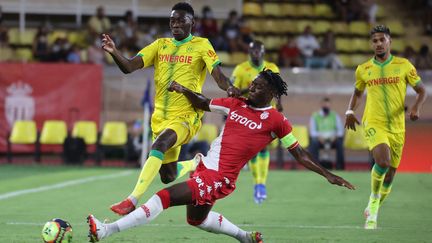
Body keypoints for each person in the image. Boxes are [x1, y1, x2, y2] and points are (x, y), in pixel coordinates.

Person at [87, 70, 355, 243]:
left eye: (258, 86)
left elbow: (299, 152)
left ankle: (106, 231)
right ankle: (244, 237)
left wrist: (328, 174)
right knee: (197, 220)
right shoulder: (235, 104)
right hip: (206, 169)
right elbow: (204, 103)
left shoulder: (276, 121)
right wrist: (184, 90)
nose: (252, 88)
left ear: (271, 93)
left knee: (163, 197)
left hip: (220, 176)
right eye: (252, 84)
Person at [101, 2, 240, 216]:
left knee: (159, 144)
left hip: (187, 116)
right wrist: (114, 51)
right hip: (160, 117)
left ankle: (132, 199)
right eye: (172, 20)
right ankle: (194, 163)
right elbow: (129, 67)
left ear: (192, 22)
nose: (175, 24)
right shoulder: (159, 45)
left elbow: (218, 74)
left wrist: (229, 86)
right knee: (168, 175)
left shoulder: (202, 45)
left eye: (181, 20)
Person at [345, 25, 427, 230]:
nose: (378, 44)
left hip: (398, 126)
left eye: (382, 40)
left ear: (390, 41)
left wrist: (416, 107)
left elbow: (421, 90)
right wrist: (350, 111)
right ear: (371, 44)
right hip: (374, 121)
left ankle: (374, 208)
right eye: (375, 41)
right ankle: (373, 199)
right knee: (382, 161)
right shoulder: (363, 69)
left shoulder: (404, 65)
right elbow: (357, 93)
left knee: (390, 175)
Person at [231, 40, 282, 204]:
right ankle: (258, 184)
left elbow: (278, 88)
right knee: (253, 149)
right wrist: (253, 89)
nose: (256, 54)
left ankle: (261, 183)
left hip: (267, 113)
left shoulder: (272, 67)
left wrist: (279, 102)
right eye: (253, 51)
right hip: (248, 113)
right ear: (249, 52)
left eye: (259, 51)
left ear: (263, 52)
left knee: (264, 147)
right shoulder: (240, 69)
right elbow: (233, 91)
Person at [309, 97, 345, 170]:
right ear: (321, 105)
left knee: (340, 142)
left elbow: (340, 131)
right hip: (319, 139)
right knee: (314, 142)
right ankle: (315, 166)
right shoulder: (315, 116)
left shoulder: (335, 115)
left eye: (328, 105)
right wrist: (319, 137)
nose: (326, 106)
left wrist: (335, 136)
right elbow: (312, 132)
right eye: (325, 105)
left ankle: (339, 167)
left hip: (333, 139)